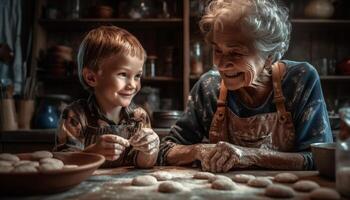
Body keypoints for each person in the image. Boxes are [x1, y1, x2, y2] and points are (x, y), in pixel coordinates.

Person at [158, 0, 333, 172]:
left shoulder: (300, 80)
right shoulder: (209, 87)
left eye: (235, 52)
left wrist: (251, 156)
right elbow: (166, 150)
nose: (222, 64)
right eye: (217, 50)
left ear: (269, 57)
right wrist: (197, 151)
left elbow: (318, 158)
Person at [54, 26, 159, 168]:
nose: (133, 85)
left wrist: (150, 151)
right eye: (123, 74)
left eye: (137, 76)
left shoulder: (138, 117)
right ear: (91, 77)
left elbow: (143, 164)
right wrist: (93, 152)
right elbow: (61, 162)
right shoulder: (75, 116)